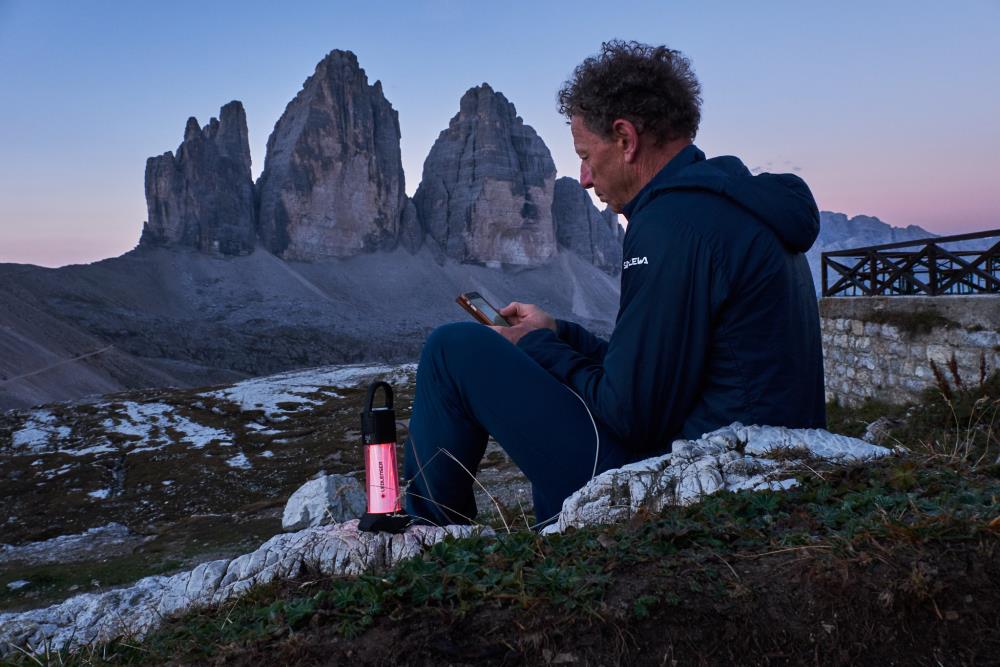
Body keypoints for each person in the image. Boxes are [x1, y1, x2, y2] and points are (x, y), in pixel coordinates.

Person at [403, 40, 826, 529]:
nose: (583, 179)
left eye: (586, 155)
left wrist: (535, 346)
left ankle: (427, 539)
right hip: (755, 463)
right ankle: (548, 537)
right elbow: (656, 376)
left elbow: (630, 414)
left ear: (625, 139)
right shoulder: (727, 208)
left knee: (452, 349)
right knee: (543, 373)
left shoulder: (670, 225)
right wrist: (558, 334)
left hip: (704, 488)